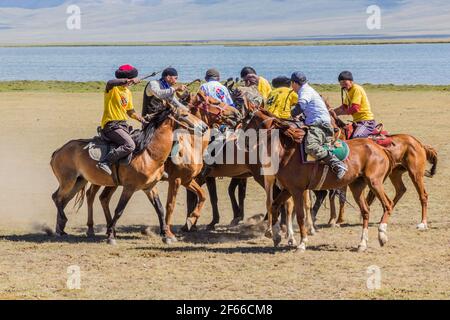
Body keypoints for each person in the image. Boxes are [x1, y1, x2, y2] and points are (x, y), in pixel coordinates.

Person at [290, 72, 347, 179]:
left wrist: (290, 115)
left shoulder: (304, 91)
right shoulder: (308, 89)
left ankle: (338, 165)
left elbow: (301, 106)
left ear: (294, 83)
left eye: (291, 84)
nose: (291, 86)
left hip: (318, 124)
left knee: (311, 146)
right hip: (319, 121)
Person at [97, 64, 147, 175]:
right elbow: (110, 82)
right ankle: (105, 162)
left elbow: (130, 112)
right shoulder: (112, 88)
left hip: (123, 125)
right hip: (111, 125)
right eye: (130, 78)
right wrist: (127, 81)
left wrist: (142, 119)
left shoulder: (128, 92)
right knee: (130, 145)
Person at [333, 71, 377, 138]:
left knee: (356, 138)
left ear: (351, 81)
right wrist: (330, 112)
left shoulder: (356, 89)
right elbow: (343, 107)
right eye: (341, 83)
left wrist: (342, 113)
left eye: (345, 82)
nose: (343, 85)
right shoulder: (349, 91)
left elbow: (355, 108)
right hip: (357, 122)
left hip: (366, 122)